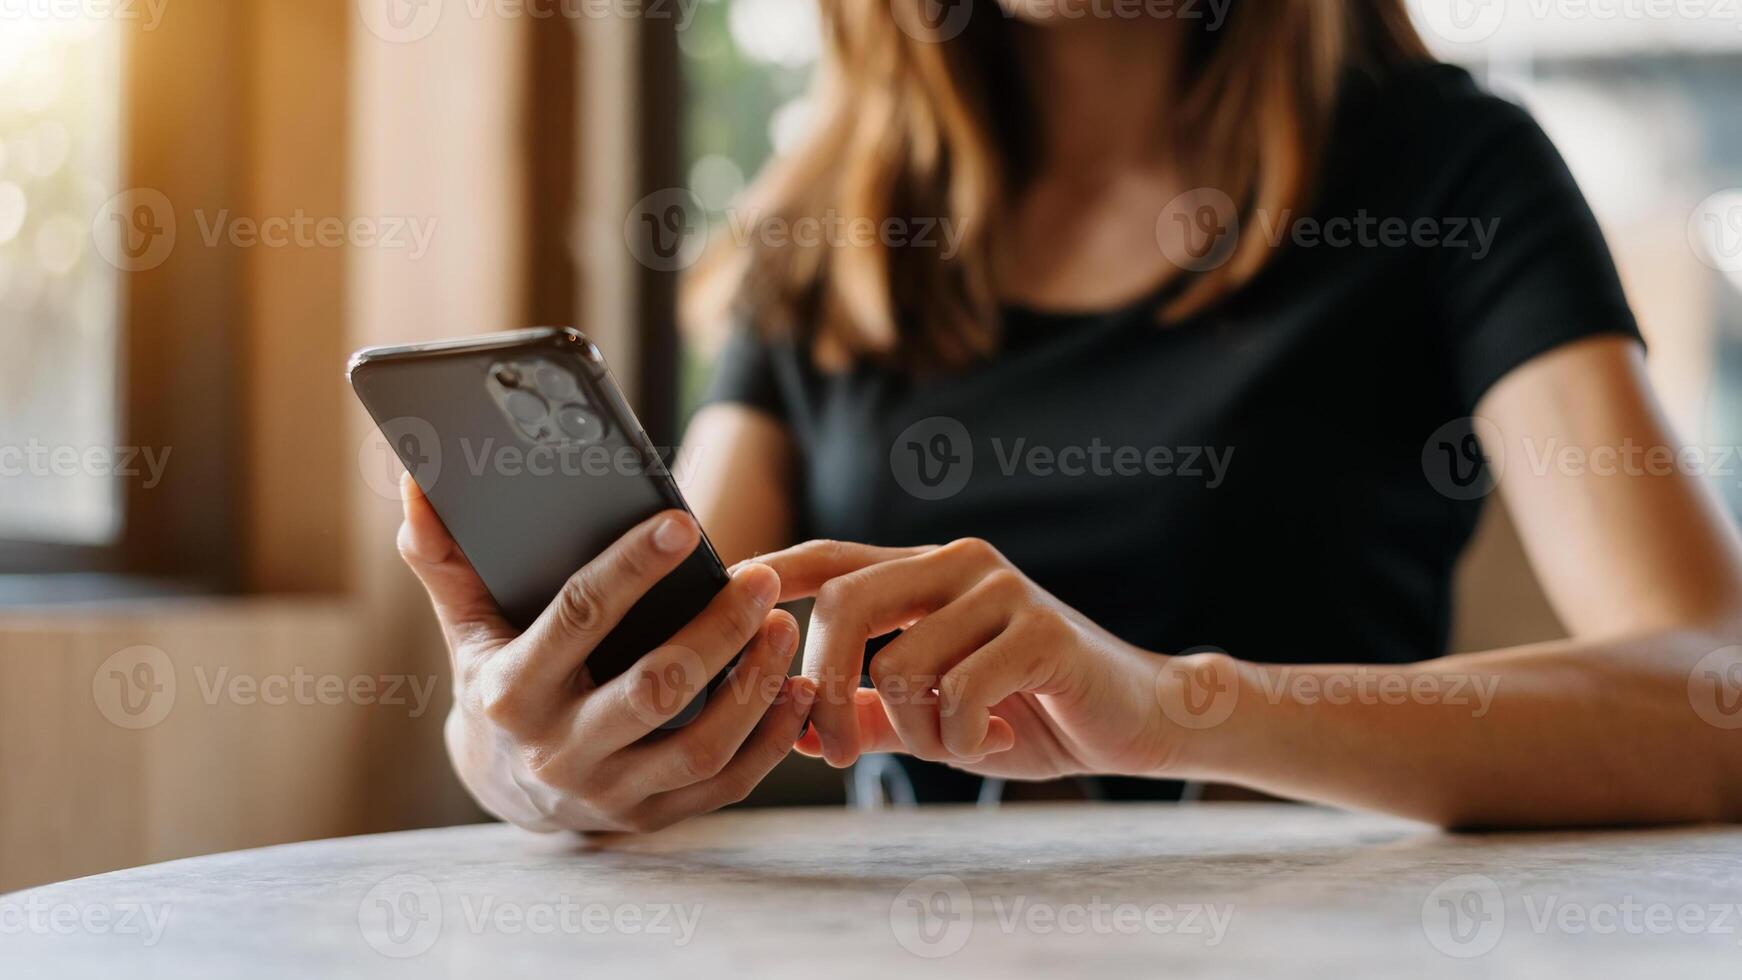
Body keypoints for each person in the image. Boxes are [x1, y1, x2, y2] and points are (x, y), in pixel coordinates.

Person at [397, 0, 1742, 834]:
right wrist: (517, 757)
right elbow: (663, 672)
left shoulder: (1450, 170)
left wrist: (1175, 704)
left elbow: (1712, 694)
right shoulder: (837, 231)